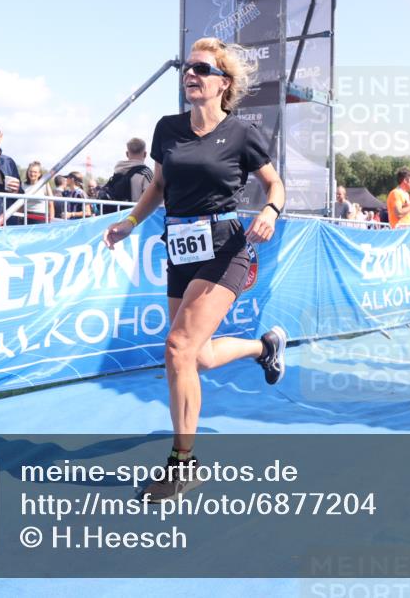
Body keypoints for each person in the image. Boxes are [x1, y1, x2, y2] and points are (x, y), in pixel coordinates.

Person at [102, 37, 287, 502]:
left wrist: (270, 211)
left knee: (178, 348)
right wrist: (128, 222)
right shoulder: (168, 128)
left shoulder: (242, 133)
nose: (191, 74)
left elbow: (274, 184)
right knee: (196, 356)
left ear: (223, 83)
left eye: (202, 68)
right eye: (188, 67)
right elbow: (159, 185)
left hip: (226, 245)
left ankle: (182, 465)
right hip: (181, 248)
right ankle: (262, 347)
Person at [99, 137, 154, 213]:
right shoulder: (146, 173)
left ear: (127, 154)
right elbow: (153, 196)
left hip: (117, 215)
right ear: (145, 154)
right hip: (137, 217)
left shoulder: (118, 170)